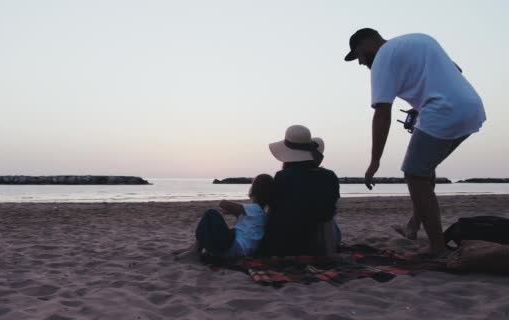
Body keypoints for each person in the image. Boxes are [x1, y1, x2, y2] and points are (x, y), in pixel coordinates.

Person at [343, 28, 486, 254]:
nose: (360, 62)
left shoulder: (382, 58)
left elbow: (382, 112)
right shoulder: (419, 39)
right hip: (472, 108)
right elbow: (456, 70)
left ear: (367, 41)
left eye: (358, 54)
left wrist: (374, 161)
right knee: (424, 169)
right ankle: (412, 226)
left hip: (443, 112)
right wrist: (420, 106)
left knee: (414, 174)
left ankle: (437, 247)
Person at [257, 125, 340, 257]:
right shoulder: (330, 176)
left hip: (287, 243)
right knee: (330, 218)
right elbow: (329, 210)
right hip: (320, 243)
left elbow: (276, 209)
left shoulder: (282, 177)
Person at [174, 174, 274, 260]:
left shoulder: (254, 209)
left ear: (255, 190)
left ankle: (196, 250)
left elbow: (223, 203)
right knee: (229, 229)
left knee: (211, 213)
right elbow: (248, 227)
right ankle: (193, 247)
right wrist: (237, 213)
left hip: (234, 247)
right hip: (240, 250)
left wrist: (236, 209)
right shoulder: (263, 214)